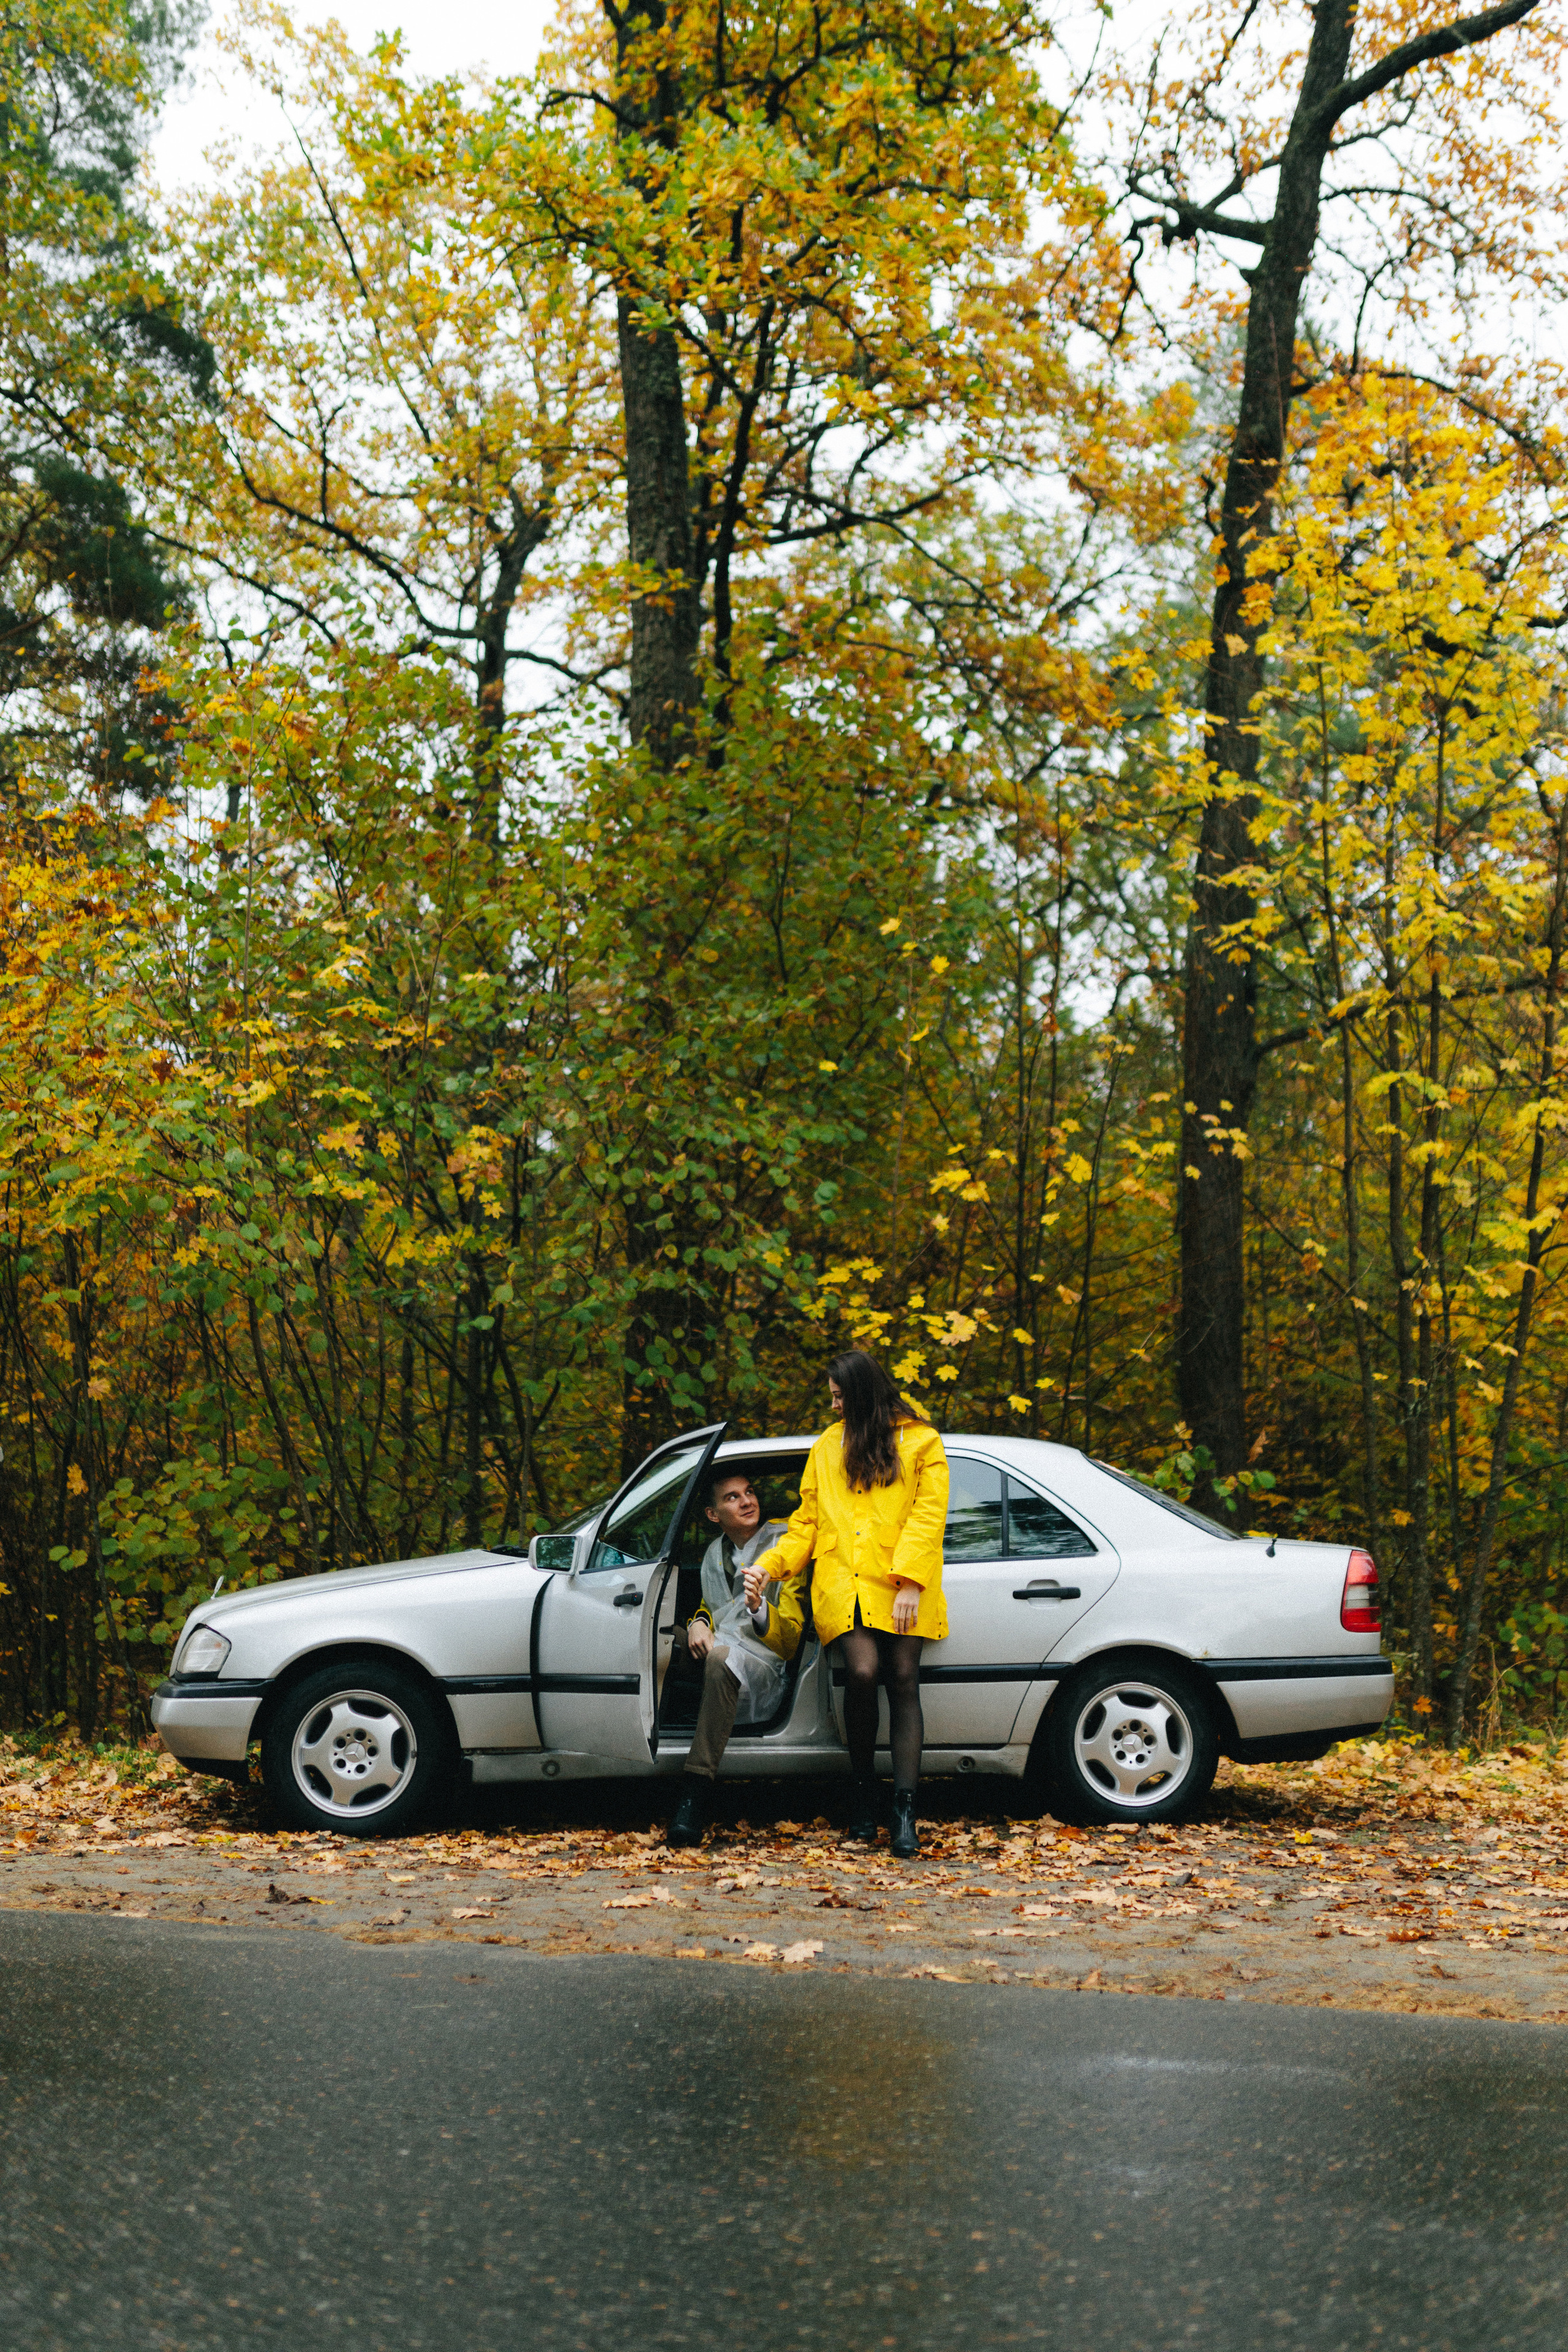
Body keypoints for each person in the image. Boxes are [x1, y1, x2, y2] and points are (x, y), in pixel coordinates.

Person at [745, 1349, 947, 1858]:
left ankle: (904, 1811)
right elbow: (806, 1525)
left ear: (861, 1395)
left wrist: (909, 1583)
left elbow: (928, 1518)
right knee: (861, 1672)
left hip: (904, 1583)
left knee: (902, 1677)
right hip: (845, 1583)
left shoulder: (922, 1442)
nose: (834, 1407)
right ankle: (862, 1797)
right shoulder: (826, 1447)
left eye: (839, 1397)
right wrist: (770, 1566)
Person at [665, 1468, 794, 1848]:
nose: (747, 1501)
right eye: (733, 1497)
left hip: (767, 1660)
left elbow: (793, 1636)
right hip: (723, 1644)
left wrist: (759, 1609)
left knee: (720, 1658)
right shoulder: (714, 1554)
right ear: (713, 1515)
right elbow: (712, 1606)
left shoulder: (784, 1545)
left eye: (750, 1491)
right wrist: (698, 1624)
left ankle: (695, 1789)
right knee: (660, 1640)